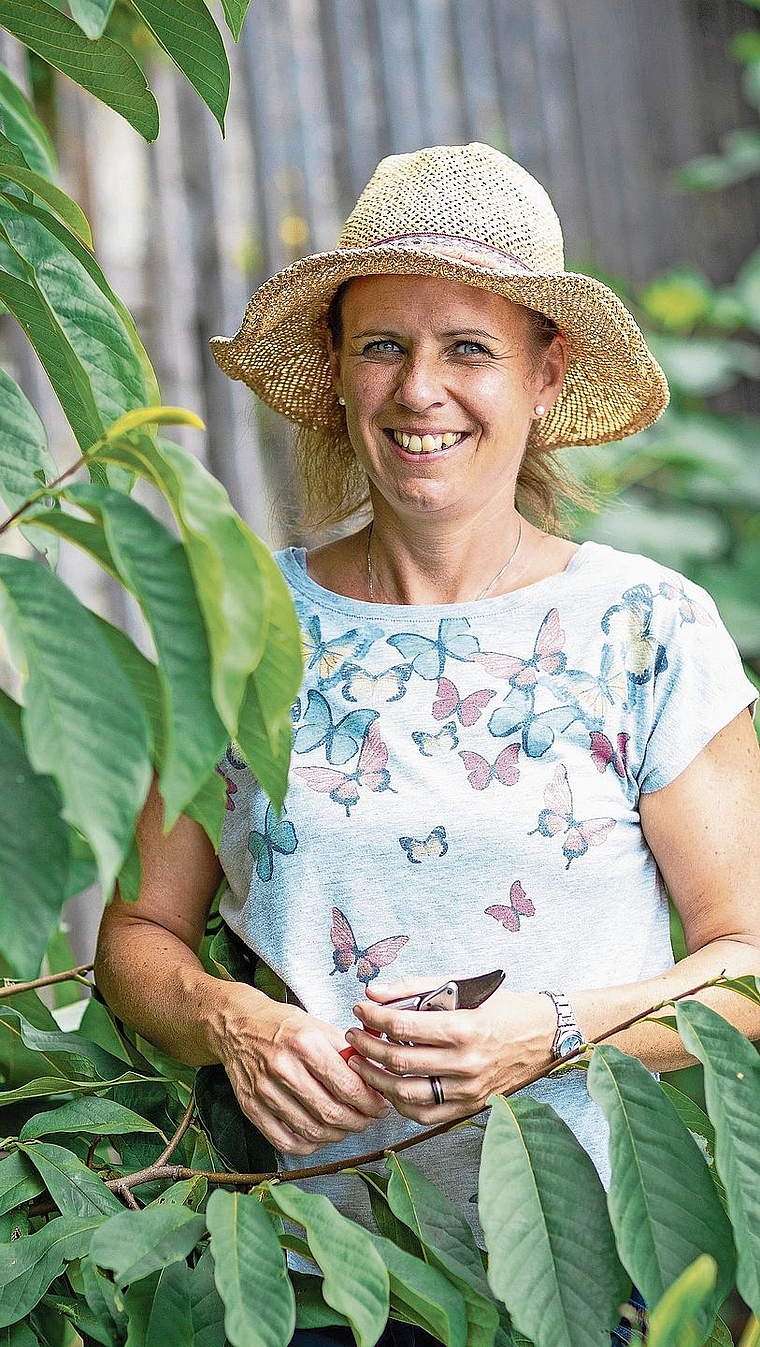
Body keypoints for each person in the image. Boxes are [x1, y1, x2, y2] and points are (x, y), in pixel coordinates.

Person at [95, 143, 760, 1344]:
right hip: (293, 1269)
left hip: (581, 1269)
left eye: (467, 349)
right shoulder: (247, 623)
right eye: (383, 346)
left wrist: (544, 1033)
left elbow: (748, 965)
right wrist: (230, 1022)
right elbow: (139, 934)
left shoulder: (640, 626)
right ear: (339, 373)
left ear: (546, 375)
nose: (418, 392)